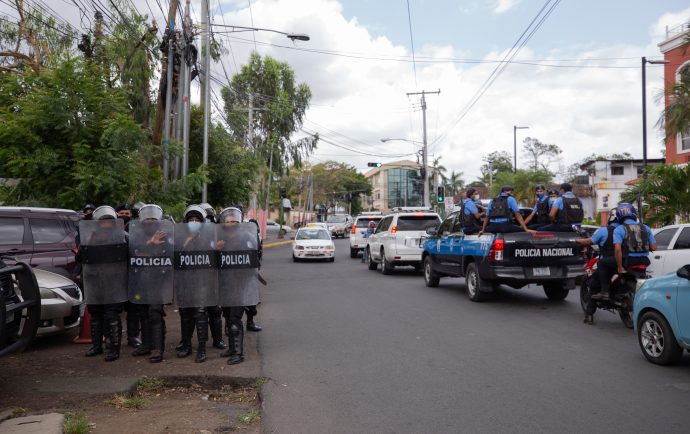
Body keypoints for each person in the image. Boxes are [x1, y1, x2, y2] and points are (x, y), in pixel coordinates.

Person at [78, 205, 128, 362]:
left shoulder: (123, 236)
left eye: (109, 221)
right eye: (103, 221)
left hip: (114, 282)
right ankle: (96, 345)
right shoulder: (89, 237)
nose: (106, 223)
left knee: (112, 315)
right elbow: (79, 258)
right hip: (94, 282)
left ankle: (114, 348)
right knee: (96, 315)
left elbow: (133, 255)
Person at [216, 206, 259, 364]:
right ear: (224, 222)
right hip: (225, 284)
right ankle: (232, 348)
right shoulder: (219, 238)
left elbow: (254, 260)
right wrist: (217, 250)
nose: (232, 223)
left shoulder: (246, 236)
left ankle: (239, 353)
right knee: (227, 316)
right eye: (229, 221)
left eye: (235, 220)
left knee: (235, 317)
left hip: (240, 284)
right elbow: (213, 262)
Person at [129, 204, 170, 362]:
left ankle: (158, 349)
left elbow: (169, 254)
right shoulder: (135, 234)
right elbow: (134, 252)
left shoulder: (166, 234)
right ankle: (146, 344)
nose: (150, 221)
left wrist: (149, 248)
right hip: (141, 279)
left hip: (158, 280)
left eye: (153, 218)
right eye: (147, 218)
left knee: (155, 314)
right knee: (143, 314)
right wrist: (149, 244)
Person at [594, 203, 656, 302]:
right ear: (633, 214)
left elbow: (618, 250)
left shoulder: (619, 229)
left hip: (628, 261)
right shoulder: (645, 227)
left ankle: (605, 291)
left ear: (618, 216)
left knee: (602, 263)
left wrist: (619, 267)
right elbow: (653, 247)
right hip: (644, 261)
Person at [176, 205, 213, 363]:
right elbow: (174, 256)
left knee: (200, 314)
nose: (193, 222)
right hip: (185, 282)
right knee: (185, 315)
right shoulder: (179, 237)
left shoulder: (208, 237)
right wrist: (187, 241)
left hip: (202, 282)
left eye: (197, 220)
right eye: (191, 219)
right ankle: (186, 345)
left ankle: (202, 348)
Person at [575, 209, 620, 324]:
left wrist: (577, 241)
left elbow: (590, 241)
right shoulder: (625, 230)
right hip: (624, 263)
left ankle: (589, 315)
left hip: (608, 264)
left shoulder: (604, 231)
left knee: (593, 285)